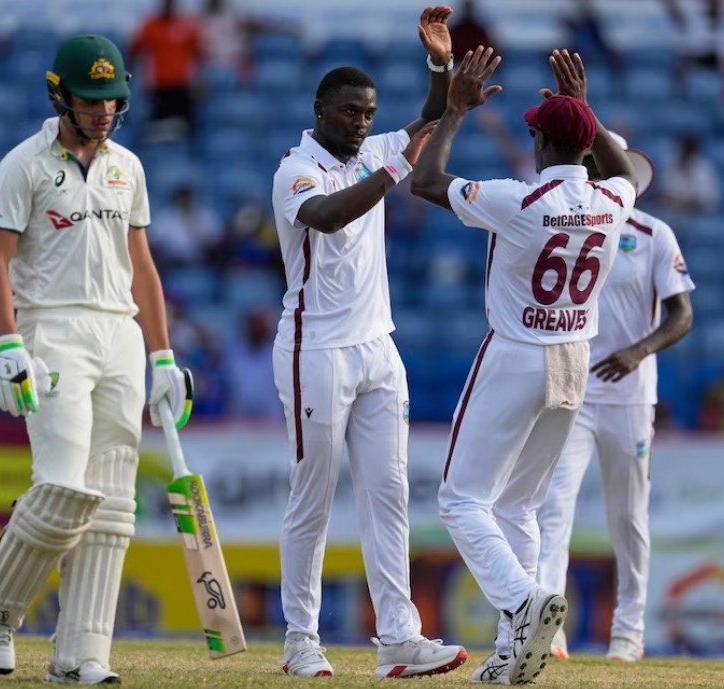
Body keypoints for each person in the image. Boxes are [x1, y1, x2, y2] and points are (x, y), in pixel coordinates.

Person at [0, 34, 191, 684]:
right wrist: (9, 343)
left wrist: (162, 356)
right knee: (63, 486)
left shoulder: (129, 166)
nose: (103, 111)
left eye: (112, 99)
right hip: (51, 330)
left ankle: (81, 656)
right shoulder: (24, 165)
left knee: (114, 506)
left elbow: (141, 265)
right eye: (91, 101)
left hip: (119, 335)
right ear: (59, 96)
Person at [411, 47, 638, 685]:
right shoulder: (612, 199)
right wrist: (586, 112)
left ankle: (522, 600)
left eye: (535, 133)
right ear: (588, 146)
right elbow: (630, 175)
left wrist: (455, 112)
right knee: (520, 508)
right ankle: (513, 650)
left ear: (538, 141)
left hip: (516, 352)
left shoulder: (519, 197)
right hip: (575, 358)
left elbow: (424, 182)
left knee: (461, 500)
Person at [270, 6, 467, 679]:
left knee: (389, 494)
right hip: (315, 349)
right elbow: (326, 216)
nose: (361, 122)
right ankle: (301, 640)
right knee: (313, 497)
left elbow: (432, 116)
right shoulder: (297, 168)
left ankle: (399, 638)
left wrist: (440, 62)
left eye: (368, 113)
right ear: (321, 110)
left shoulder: (377, 151)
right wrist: (394, 169)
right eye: (350, 111)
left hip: (378, 347)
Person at [534, 133, 695, 663]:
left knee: (628, 517)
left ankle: (628, 633)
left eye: (605, 166)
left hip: (629, 397)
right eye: (592, 165)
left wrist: (638, 351)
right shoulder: (565, 224)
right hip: (572, 391)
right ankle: (546, 627)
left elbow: (682, 315)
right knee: (553, 506)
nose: (597, 174)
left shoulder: (653, 233)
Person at [128, 0, 203, 140]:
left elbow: (198, 53)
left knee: (186, 125)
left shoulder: (187, 26)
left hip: (181, 83)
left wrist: (197, 80)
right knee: (160, 126)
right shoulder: (151, 25)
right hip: (159, 84)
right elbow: (134, 50)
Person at [657, 133, 720, 215]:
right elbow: (666, 193)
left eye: (689, 150)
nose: (686, 153)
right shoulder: (670, 164)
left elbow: (706, 200)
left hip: (699, 213)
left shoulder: (705, 168)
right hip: (674, 211)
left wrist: (684, 203)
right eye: (684, 150)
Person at [449, 0, 496, 64]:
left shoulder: (480, 32)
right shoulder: (454, 31)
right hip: (457, 66)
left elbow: (491, 54)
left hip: (476, 66)